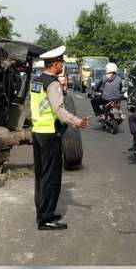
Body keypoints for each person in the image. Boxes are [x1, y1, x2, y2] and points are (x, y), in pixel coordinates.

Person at [30, 45, 90, 230]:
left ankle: (43, 211)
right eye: (61, 62)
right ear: (55, 64)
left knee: (41, 176)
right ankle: (46, 219)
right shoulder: (53, 84)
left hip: (38, 131)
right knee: (52, 178)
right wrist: (77, 122)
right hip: (49, 134)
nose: (62, 64)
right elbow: (58, 109)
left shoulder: (37, 81)